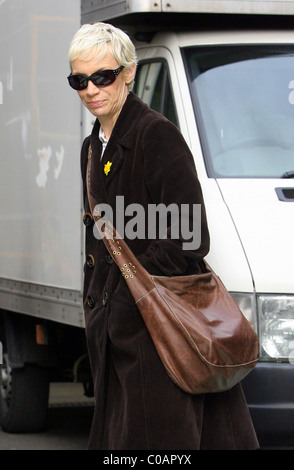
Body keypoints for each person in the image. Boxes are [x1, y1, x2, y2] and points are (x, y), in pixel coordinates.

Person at [67, 22, 259, 450]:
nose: (92, 89)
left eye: (104, 76)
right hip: (116, 335)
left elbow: (190, 236)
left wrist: (125, 301)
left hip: (155, 331)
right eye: (80, 80)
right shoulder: (92, 146)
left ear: (129, 72)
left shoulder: (157, 136)